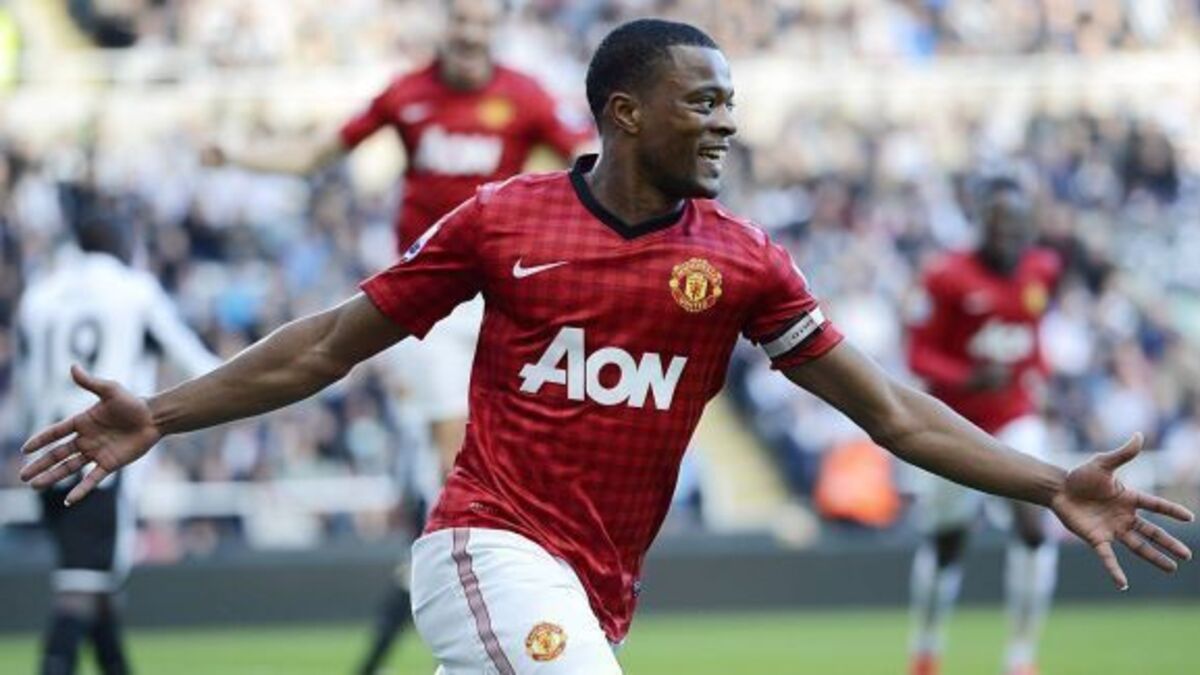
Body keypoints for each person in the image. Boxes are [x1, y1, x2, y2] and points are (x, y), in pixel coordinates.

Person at [20, 19, 1193, 675]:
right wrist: (160, 413)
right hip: (485, 546)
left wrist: (1050, 482)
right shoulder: (499, 222)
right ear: (625, 113)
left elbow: (889, 413)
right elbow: (327, 345)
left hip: (599, 581)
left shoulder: (745, 262)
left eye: (729, 101)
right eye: (702, 102)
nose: (726, 122)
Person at [207, 1, 593, 671]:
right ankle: (484, 563)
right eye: (461, 22)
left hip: (508, 297)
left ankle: (489, 569)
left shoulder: (525, 96)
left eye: (481, 24)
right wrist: (236, 152)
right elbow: (317, 153)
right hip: (432, 303)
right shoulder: (406, 94)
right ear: (445, 27)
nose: (470, 35)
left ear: (494, 31)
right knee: (455, 455)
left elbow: (588, 157)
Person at [14, 209, 219, 675]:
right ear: (123, 245)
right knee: (82, 588)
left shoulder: (39, 295)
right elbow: (195, 362)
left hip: (46, 452)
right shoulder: (134, 289)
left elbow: (24, 385)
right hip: (101, 458)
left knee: (97, 580)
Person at [905, 177, 1062, 675]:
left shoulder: (1042, 269)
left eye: (1016, 227)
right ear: (981, 226)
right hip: (953, 425)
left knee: (1035, 525)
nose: (1006, 236)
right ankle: (926, 649)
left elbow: (1030, 335)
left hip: (1014, 416)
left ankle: (1021, 657)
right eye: (997, 225)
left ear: (1029, 229)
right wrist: (968, 377)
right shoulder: (946, 276)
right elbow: (918, 354)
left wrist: (1041, 372)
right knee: (947, 541)